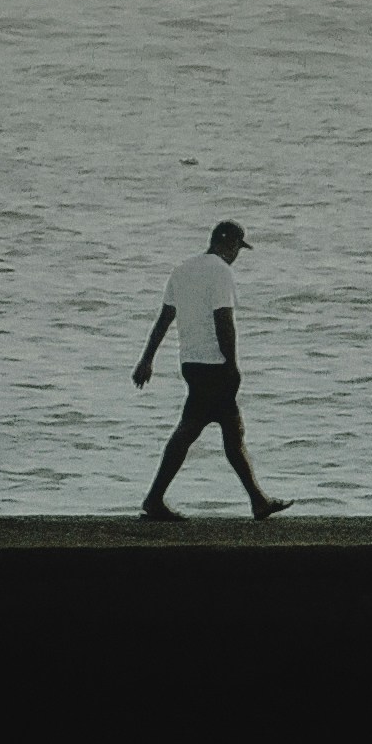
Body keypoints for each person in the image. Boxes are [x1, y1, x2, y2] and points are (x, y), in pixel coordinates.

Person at [131, 220, 292, 520]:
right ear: (229, 244)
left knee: (227, 430)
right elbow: (224, 322)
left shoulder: (182, 270)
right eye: (238, 248)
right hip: (215, 365)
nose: (237, 255)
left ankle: (258, 500)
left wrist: (147, 359)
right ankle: (155, 499)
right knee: (197, 430)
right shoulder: (221, 272)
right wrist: (232, 366)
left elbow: (164, 319)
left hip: (190, 363)